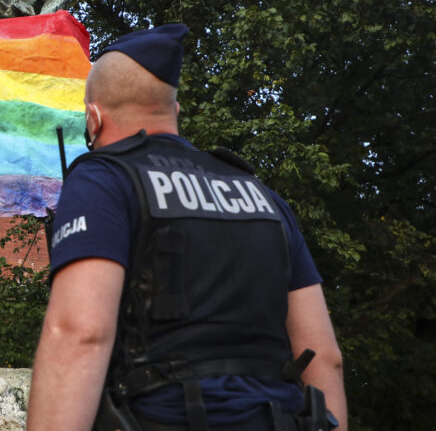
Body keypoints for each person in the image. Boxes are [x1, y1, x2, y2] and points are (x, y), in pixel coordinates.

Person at [27, 24, 346, 431]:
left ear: (93, 118)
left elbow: (80, 333)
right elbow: (324, 356)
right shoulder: (264, 197)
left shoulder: (103, 180)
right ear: (174, 112)